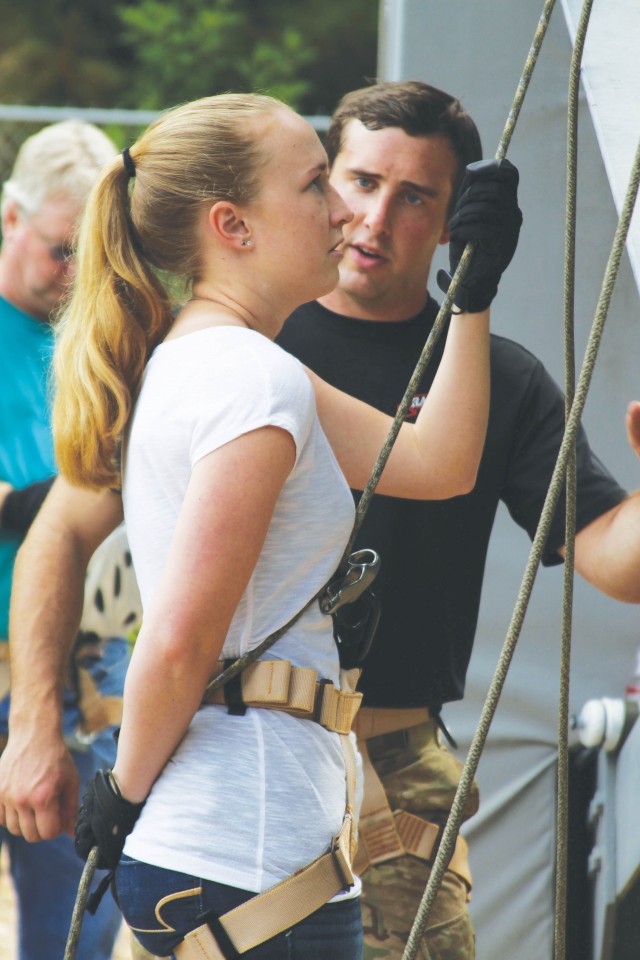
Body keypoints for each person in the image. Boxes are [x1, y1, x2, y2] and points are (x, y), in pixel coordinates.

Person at [45, 91, 519, 958]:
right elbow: (183, 640)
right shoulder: (253, 384)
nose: (342, 211)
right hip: (246, 847)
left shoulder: (219, 362)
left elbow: (441, 464)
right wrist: (124, 788)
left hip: (224, 844)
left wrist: (473, 293)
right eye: (313, 186)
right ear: (235, 226)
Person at [274, 81, 640, 959]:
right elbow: (76, 519)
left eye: (414, 198)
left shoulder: (497, 379)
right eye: (361, 182)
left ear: (450, 224)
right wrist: (32, 731)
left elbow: (616, 560)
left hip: (399, 767)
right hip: (241, 739)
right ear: (324, 185)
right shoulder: (253, 340)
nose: (375, 217)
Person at [0, 119, 132, 960]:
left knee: (80, 918)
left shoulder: (104, 330)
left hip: (78, 664)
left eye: (92, 255)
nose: (74, 276)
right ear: (9, 217)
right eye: (58, 251)